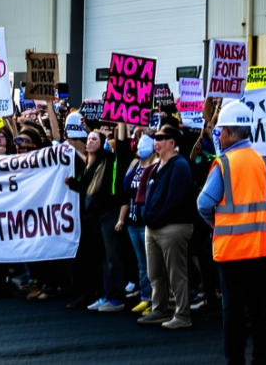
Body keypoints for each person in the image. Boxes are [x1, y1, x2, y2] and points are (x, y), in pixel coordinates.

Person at [196, 100, 266, 365]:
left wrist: (217, 224)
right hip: (263, 250)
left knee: (233, 313)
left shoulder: (225, 164)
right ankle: (262, 360)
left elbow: (203, 204)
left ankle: (235, 361)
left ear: (232, 133)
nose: (218, 136)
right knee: (261, 311)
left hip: (232, 252)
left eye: (220, 131)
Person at [65, 125, 131, 312]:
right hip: (94, 217)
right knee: (102, 258)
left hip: (109, 214)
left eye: (95, 138)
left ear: (102, 143)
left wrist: (120, 124)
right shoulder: (88, 165)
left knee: (112, 257)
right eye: (89, 138)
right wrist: (73, 184)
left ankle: (117, 299)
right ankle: (106, 295)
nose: (90, 141)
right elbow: (86, 189)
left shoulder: (109, 160)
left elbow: (123, 147)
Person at [138, 124, 196, 330]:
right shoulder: (157, 166)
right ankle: (159, 309)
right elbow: (148, 197)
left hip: (173, 226)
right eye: (155, 137)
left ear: (172, 142)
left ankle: (182, 314)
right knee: (155, 273)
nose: (156, 141)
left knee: (176, 274)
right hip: (154, 227)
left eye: (161, 138)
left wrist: (155, 219)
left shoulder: (179, 166)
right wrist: (148, 218)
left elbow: (173, 200)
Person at [123, 133, 156, 316]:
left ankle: (155, 299)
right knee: (142, 263)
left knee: (152, 263)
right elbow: (126, 186)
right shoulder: (135, 164)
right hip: (132, 221)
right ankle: (145, 297)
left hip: (146, 223)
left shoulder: (156, 166)